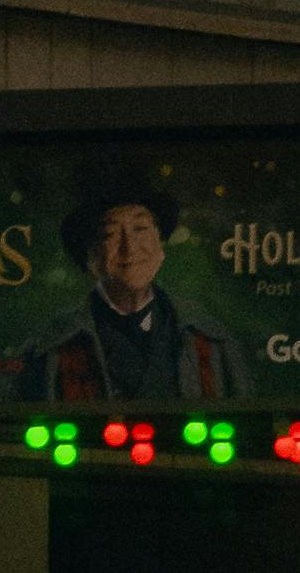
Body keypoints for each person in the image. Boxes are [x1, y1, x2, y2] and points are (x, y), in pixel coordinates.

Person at [26, 170, 242, 423]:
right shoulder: (52, 349)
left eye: (141, 228)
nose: (130, 246)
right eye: (111, 234)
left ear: (160, 245)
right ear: (91, 255)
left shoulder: (208, 338)